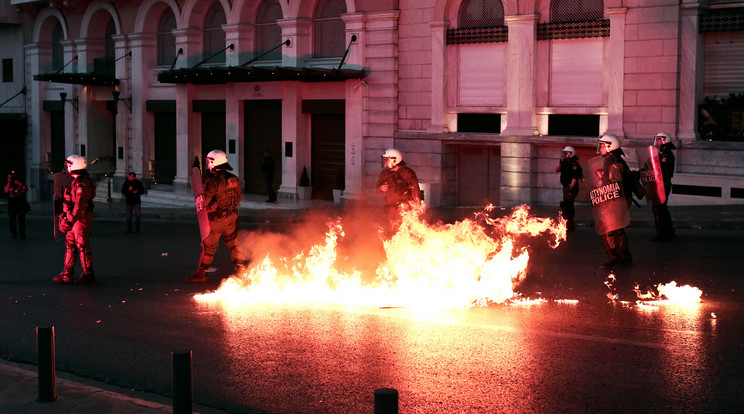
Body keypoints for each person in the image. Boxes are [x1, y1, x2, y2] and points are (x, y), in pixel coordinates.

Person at [187, 149, 245, 283]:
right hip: (232, 217)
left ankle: (201, 274)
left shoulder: (214, 182)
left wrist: (208, 201)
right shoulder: (234, 178)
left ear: (215, 163)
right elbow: (239, 197)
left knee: (209, 248)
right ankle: (241, 270)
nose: (208, 164)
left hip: (217, 220)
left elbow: (203, 203)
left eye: (209, 161)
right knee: (232, 244)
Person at [52, 155, 97, 283]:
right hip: (73, 218)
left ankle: (88, 274)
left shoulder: (82, 183)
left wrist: (69, 221)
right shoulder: (76, 181)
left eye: (69, 165)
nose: (67, 167)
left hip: (80, 219)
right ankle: (67, 273)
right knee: (70, 245)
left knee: (82, 245)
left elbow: (79, 206)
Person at [595, 134, 633, 268]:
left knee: (612, 229)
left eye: (603, 145)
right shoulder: (611, 160)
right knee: (615, 229)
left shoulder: (615, 163)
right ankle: (622, 256)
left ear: (611, 146)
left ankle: (617, 257)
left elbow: (615, 185)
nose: (601, 148)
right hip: (616, 199)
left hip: (617, 200)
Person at [376, 148, 422, 232]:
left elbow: (416, 190)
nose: (386, 163)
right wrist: (381, 188)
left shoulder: (407, 173)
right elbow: (378, 186)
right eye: (385, 160)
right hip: (391, 208)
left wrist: (417, 206)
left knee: (405, 230)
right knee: (392, 230)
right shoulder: (385, 173)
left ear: (395, 160)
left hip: (405, 208)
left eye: (387, 160)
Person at [650, 132, 676, 242]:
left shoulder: (666, 154)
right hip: (663, 184)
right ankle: (669, 232)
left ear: (665, 141)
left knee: (659, 208)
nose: (657, 142)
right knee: (662, 209)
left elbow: (662, 170)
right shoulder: (663, 153)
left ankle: (662, 234)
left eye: (659, 140)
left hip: (663, 184)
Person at [555, 146, 583, 232]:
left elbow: (575, 177)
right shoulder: (565, 163)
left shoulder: (574, 164)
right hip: (566, 186)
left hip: (571, 187)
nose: (564, 155)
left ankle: (569, 224)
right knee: (566, 204)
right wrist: (561, 163)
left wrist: (571, 188)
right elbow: (557, 170)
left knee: (568, 205)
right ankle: (568, 223)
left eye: (566, 153)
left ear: (570, 154)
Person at [4, 171, 28, 239]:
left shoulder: (20, 182)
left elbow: (25, 188)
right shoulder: (8, 183)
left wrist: (18, 183)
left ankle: (22, 233)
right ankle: (13, 233)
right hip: (12, 204)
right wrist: (8, 182)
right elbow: (5, 191)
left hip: (20, 203)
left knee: (21, 219)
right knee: (12, 219)